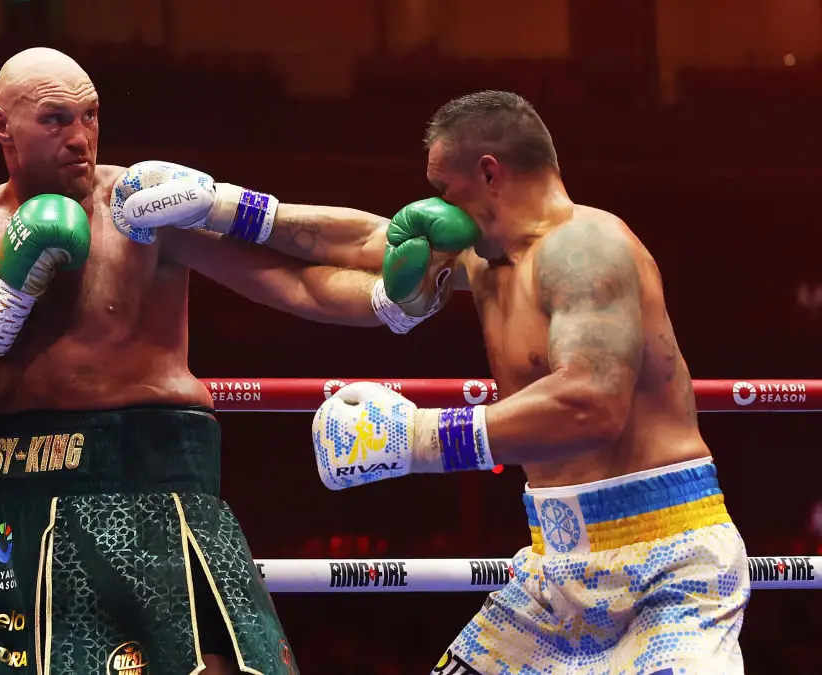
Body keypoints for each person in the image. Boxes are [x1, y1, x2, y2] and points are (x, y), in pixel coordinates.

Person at [0, 47, 453, 675]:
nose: (81, 138)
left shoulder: (143, 207)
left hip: (152, 487)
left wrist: (389, 299)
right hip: (9, 495)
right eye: (55, 120)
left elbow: (297, 284)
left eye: (91, 115)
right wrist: (6, 297)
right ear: (1, 127)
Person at [311, 91, 750, 674]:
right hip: (555, 573)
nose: (442, 211)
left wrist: (414, 437)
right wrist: (223, 212)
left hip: (667, 567)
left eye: (447, 191)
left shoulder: (585, 246)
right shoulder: (487, 262)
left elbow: (591, 404)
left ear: (489, 172)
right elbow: (357, 241)